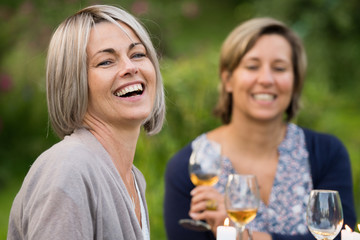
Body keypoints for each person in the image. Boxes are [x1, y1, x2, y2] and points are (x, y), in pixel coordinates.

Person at [164, 17, 356, 240]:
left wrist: (244, 236)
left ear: (295, 82)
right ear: (227, 79)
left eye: (280, 68)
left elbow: (342, 236)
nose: (266, 79)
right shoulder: (187, 166)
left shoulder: (327, 153)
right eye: (252, 66)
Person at [7, 4, 165, 240]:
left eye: (138, 54)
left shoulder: (133, 178)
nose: (130, 68)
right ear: (73, 82)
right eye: (106, 61)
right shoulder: (70, 168)